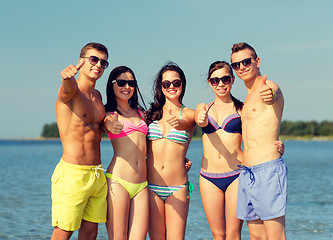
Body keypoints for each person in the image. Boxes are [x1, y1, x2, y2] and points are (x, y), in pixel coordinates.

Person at [195, 61, 285, 240]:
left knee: (233, 235)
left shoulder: (242, 109)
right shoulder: (203, 108)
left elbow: (257, 135)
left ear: (232, 80)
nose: (220, 84)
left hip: (236, 175)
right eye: (215, 80)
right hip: (208, 177)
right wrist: (201, 119)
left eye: (225, 79)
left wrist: (278, 146)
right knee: (218, 235)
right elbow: (198, 121)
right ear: (209, 82)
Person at [51, 42, 109, 240]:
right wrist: (66, 78)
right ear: (81, 62)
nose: (98, 65)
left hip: (97, 175)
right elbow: (66, 89)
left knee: (90, 234)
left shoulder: (99, 97)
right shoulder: (72, 91)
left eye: (103, 62)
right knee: (63, 232)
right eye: (94, 59)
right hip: (72, 174)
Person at [230, 42, 286, 240]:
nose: (241, 67)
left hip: (268, 170)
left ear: (257, 61)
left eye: (246, 61)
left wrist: (269, 95)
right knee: (256, 236)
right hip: (247, 173)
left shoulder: (268, 86)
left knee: (275, 235)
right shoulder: (246, 99)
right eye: (236, 65)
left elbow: (273, 93)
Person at [146, 62, 196, 239]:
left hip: (178, 187)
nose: (172, 87)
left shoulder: (190, 114)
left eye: (176, 82)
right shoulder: (150, 114)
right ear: (161, 86)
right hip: (152, 186)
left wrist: (180, 124)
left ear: (183, 83)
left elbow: (187, 122)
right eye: (166, 84)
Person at [103, 66, 149, 239]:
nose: (127, 87)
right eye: (121, 82)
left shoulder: (141, 113)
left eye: (131, 83)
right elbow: (106, 123)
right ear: (112, 85)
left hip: (141, 185)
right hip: (118, 181)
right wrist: (110, 124)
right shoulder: (109, 113)